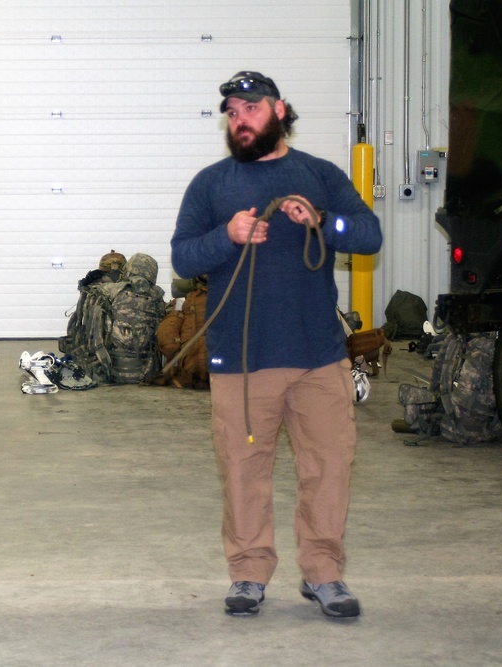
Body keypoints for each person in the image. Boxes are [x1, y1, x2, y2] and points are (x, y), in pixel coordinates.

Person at [170, 71, 382, 618]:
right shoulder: (211, 185)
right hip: (242, 360)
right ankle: (247, 574)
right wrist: (228, 236)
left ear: (279, 110)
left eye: (251, 109)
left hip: (318, 357)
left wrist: (323, 222)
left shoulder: (319, 174)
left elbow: (369, 234)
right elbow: (183, 259)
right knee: (243, 469)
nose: (240, 120)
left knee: (329, 466)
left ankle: (324, 573)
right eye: (233, 112)